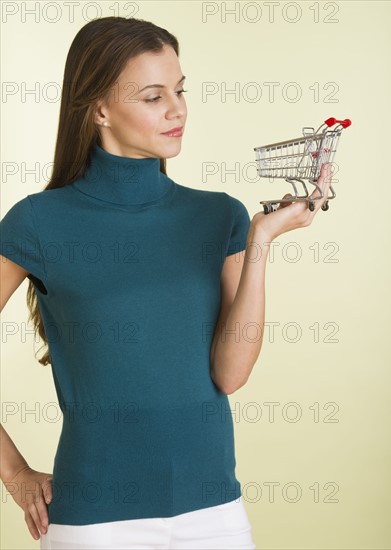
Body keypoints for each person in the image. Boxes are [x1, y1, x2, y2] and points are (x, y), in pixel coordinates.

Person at [0, 16, 332, 550]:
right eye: (154, 96)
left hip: (215, 515)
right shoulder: (38, 222)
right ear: (100, 109)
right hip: (93, 522)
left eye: (180, 91)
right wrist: (14, 473)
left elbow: (230, 375)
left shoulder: (220, 217)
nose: (177, 109)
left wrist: (262, 240)